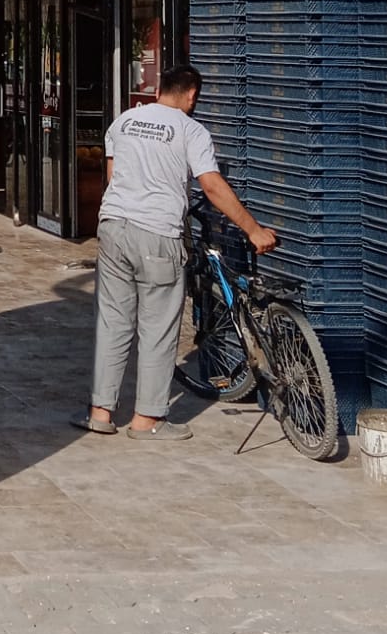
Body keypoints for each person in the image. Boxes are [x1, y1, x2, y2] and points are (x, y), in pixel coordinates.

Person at [72, 64, 277, 441]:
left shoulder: (124, 122)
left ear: (158, 90)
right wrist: (253, 229)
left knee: (112, 323)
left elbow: (113, 177)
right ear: (192, 95)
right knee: (158, 329)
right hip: (156, 234)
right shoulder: (191, 130)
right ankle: (147, 421)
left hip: (113, 228)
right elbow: (211, 186)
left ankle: (99, 413)